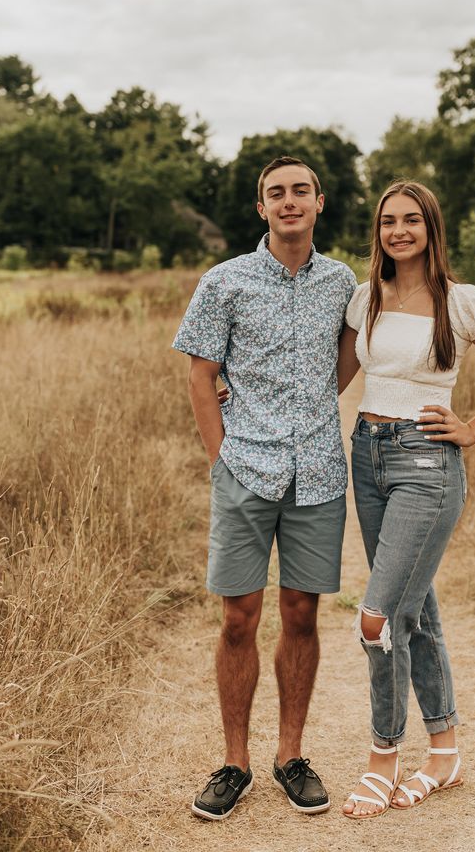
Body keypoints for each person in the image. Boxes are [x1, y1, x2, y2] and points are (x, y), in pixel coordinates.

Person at [337, 180, 475, 819]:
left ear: (430, 228)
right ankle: (446, 754)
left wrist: (472, 429)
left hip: (427, 463)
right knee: (412, 609)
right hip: (367, 455)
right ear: (378, 231)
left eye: (411, 220)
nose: (398, 231)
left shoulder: (462, 302)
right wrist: (244, 392)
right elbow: (330, 379)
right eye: (388, 221)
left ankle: (382, 759)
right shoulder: (365, 298)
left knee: (377, 618)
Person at [172, 156, 356, 820]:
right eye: (275, 192)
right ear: (261, 208)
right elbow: (200, 376)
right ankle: (234, 762)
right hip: (245, 470)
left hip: (318, 473)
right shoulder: (223, 282)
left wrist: (310, 405)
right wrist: (223, 456)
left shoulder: (341, 282)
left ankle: (289, 754)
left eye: (299, 190)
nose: (288, 201)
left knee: (302, 612)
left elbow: (347, 358)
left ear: (318, 201)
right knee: (237, 618)